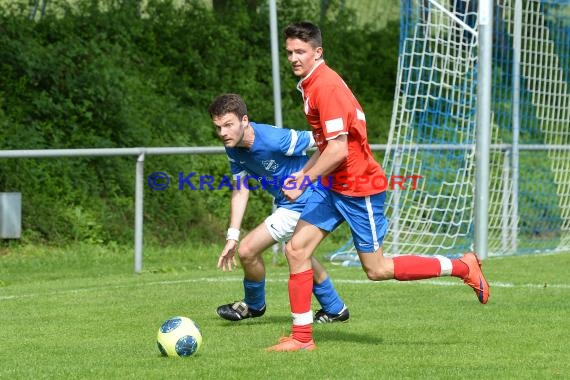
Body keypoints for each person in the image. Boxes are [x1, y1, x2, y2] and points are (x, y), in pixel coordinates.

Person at [266, 21, 490, 352]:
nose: (294, 58)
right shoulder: (312, 84)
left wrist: (304, 178)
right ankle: (302, 338)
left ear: (318, 52)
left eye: (300, 51)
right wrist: (306, 174)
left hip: (359, 188)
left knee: (377, 268)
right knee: (296, 249)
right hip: (333, 184)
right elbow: (328, 147)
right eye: (289, 52)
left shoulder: (325, 86)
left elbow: (340, 149)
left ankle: (462, 266)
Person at [208, 93, 349, 324]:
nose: (223, 133)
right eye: (218, 127)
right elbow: (241, 189)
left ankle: (253, 306)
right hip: (288, 204)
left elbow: (326, 142)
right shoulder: (232, 147)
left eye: (228, 125)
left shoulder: (275, 139)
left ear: (244, 121)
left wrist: (303, 178)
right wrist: (231, 236)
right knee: (298, 252)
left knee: (248, 250)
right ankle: (335, 308)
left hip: (306, 200)